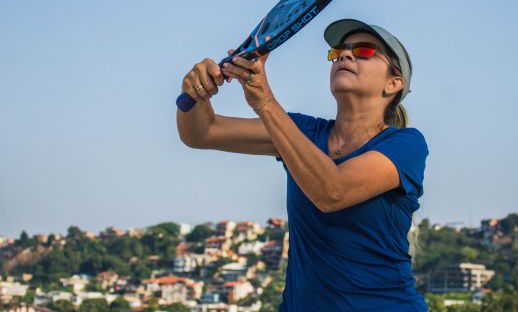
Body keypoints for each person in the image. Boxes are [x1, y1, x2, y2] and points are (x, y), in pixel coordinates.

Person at [177, 18, 430, 311]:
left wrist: (263, 100)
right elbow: (201, 132)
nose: (344, 55)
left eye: (364, 51)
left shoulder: (407, 144)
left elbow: (333, 192)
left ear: (393, 83)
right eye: (338, 52)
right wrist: (195, 93)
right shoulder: (300, 131)